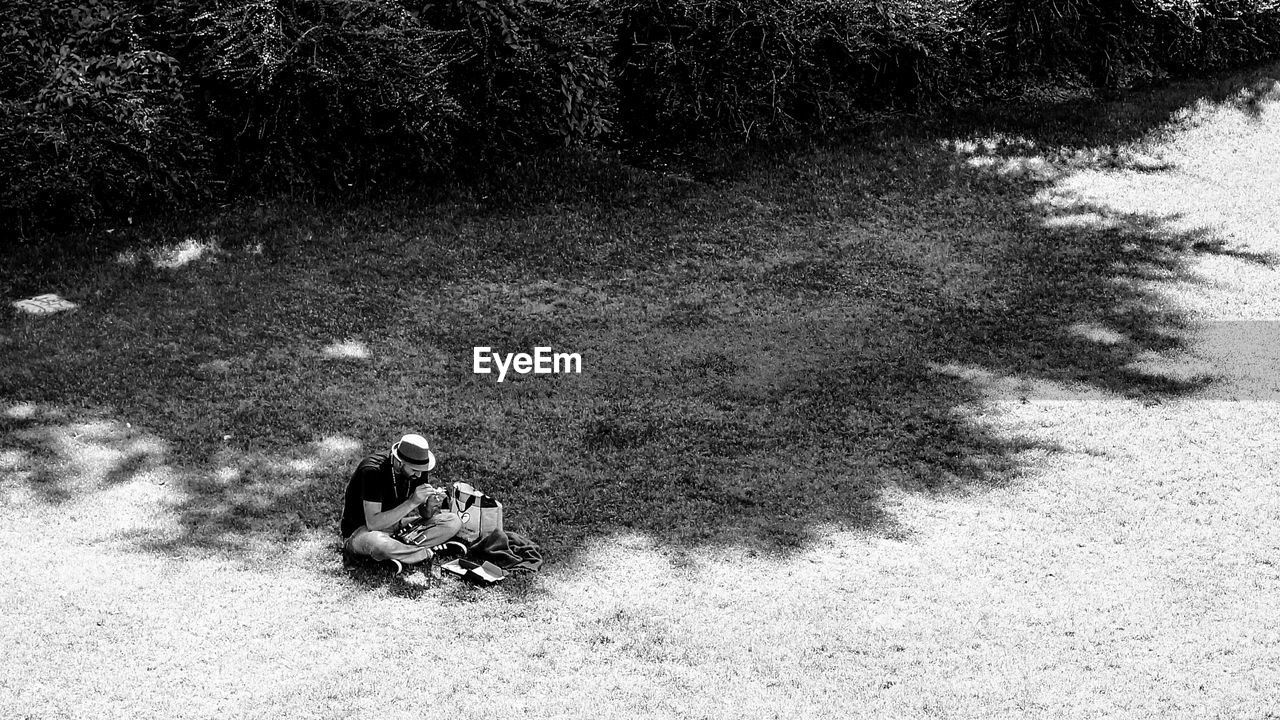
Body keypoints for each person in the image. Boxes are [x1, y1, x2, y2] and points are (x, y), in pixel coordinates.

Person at [340, 433, 462, 574]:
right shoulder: (373, 471)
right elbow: (373, 524)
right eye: (414, 470)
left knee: (452, 521)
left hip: (397, 526)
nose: (418, 475)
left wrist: (429, 506)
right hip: (361, 532)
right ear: (399, 462)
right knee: (380, 544)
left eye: (422, 471)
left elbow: (426, 515)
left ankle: (398, 554)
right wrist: (412, 502)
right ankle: (427, 553)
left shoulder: (419, 469)